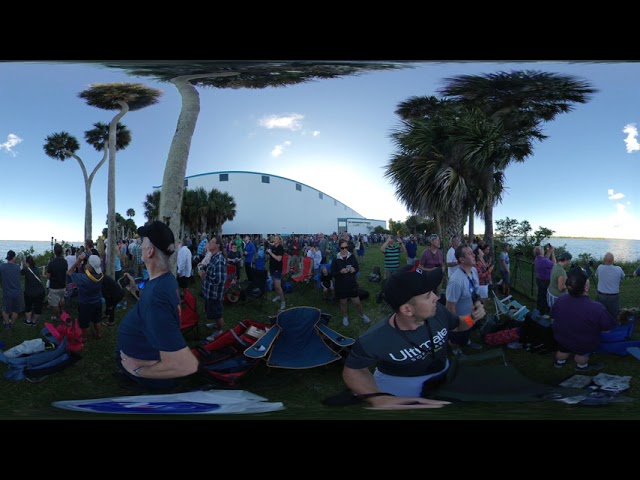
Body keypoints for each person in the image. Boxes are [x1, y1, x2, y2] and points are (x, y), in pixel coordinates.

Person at [341, 265, 485, 408]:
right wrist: (377, 398)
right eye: (428, 295)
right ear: (407, 309)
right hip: (402, 388)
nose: (436, 297)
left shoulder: (438, 311)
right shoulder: (376, 339)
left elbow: (458, 325)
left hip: (443, 374)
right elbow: (353, 370)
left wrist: (471, 318)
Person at [117, 220, 199, 391]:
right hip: (144, 349)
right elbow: (150, 307)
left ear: (150, 251)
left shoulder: (157, 296)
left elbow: (186, 365)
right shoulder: (164, 279)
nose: (140, 244)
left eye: (143, 242)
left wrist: (138, 370)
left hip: (150, 369)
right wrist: (134, 289)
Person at [552, 267, 617, 372]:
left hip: (562, 338)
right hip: (583, 343)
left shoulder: (561, 299)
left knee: (563, 350)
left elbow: (554, 316)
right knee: (582, 355)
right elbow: (607, 329)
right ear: (586, 288)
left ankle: (560, 362)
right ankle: (581, 366)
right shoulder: (597, 308)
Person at [446, 244, 484, 354]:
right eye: (470, 253)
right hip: (460, 319)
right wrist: (454, 327)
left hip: (470, 315)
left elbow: (474, 290)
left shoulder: (474, 271)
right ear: (462, 260)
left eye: (473, 252)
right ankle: (455, 348)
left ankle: (466, 341)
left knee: (468, 330)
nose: (474, 255)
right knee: (458, 335)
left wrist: (478, 302)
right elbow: (449, 307)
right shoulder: (455, 281)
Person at [331, 240, 370, 327]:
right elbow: (332, 273)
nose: (344, 249)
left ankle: (362, 315)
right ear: (339, 248)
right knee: (343, 302)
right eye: (342, 248)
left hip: (351, 283)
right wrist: (340, 271)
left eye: (346, 247)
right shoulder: (335, 259)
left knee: (357, 302)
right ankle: (345, 317)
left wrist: (354, 270)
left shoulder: (351, 256)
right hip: (341, 285)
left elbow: (357, 268)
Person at [68, 253, 104, 340]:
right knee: (97, 320)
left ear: (90, 267)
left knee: (84, 324)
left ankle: (84, 338)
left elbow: (69, 272)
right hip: (97, 302)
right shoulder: (100, 275)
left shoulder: (83, 278)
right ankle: (99, 334)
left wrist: (78, 261)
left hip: (85, 304)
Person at [199, 235, 227, 340]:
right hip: (211, 292)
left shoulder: (219, 260)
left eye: (211, 241)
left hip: (215, 294)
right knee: (213, 312)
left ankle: (219, 331)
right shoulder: (214, 256)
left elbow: (218, 279)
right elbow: (212, 270)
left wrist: (204, 276)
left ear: (217, 245)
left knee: (217, 313)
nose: (209, 243)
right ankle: (216, 325)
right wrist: (204, 269)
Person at [594, 252, 626, 320]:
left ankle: (602, 328)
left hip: (601, 295)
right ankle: (613, 328)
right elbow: (623, 276)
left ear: (604, 260)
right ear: (613, 260)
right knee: (614, 315)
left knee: (601, 314)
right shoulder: (619, 269)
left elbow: (596, 275)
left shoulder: (600, 267)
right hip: (614, 296)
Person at [21, 254, 46, 327]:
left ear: (27, 262)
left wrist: (22, 263)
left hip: (29, 293)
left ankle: (28, 321)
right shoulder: (36, 269)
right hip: (40, 292)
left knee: (28, 306)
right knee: (38, 307)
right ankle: (34, 322)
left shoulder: (26, 270)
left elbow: (21, 272)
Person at [0, 250, 22, 328]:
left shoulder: (2, 266)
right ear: (14, 257)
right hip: (17, 292)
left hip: (7, 293)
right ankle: (12, 324)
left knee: (6, 310)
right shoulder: (17, 267)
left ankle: (6, 324)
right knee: (15, 310)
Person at [46, 243, 68, 320]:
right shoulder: (65, 262)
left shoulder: (51, 263)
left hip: (54, 287)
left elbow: (48, 276)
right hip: (63, 285)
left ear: (54, 252)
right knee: (62, 299)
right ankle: (63, 311)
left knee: (55, 304)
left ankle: (58, 317)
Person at [533, 244, 556, 315]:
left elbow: (545, 258)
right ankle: (544, 311)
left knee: (540, 295)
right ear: (541, 252)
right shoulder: (544, 261)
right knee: (545, 296)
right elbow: (554, 264)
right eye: (542, 249)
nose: (544, 250)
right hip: (545, 281)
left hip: (539, 280)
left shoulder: (537, 258)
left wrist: (549, 251)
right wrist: (552, 253)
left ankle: (539, 308)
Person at [267, 234, 286, 311]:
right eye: (274, 238)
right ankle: (278, 296)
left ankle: (283, 302)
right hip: (272, 268)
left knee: (278, 286)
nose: (274, 239)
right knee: (274, 284)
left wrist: (271, 253)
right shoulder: (273, 246)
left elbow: (278, 259)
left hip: (277, 269)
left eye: (276, 238)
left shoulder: (280, 248)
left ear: (279, 240)